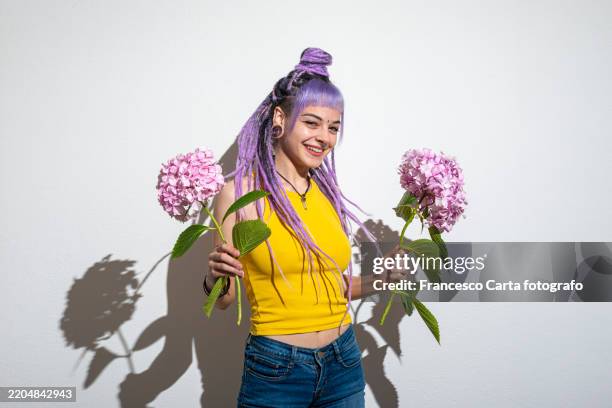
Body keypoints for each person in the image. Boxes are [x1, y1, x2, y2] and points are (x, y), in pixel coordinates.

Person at [203, 47, 405, 407]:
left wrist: (381, 280)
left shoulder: (327, 194)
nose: (324, 137)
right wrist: (214, 276)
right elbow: (226, 300)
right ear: (280, 118)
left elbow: (330, 287)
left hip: (343, 361)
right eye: (311, 123)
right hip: (276, 370)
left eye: (333, 127)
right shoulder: (239, 195)